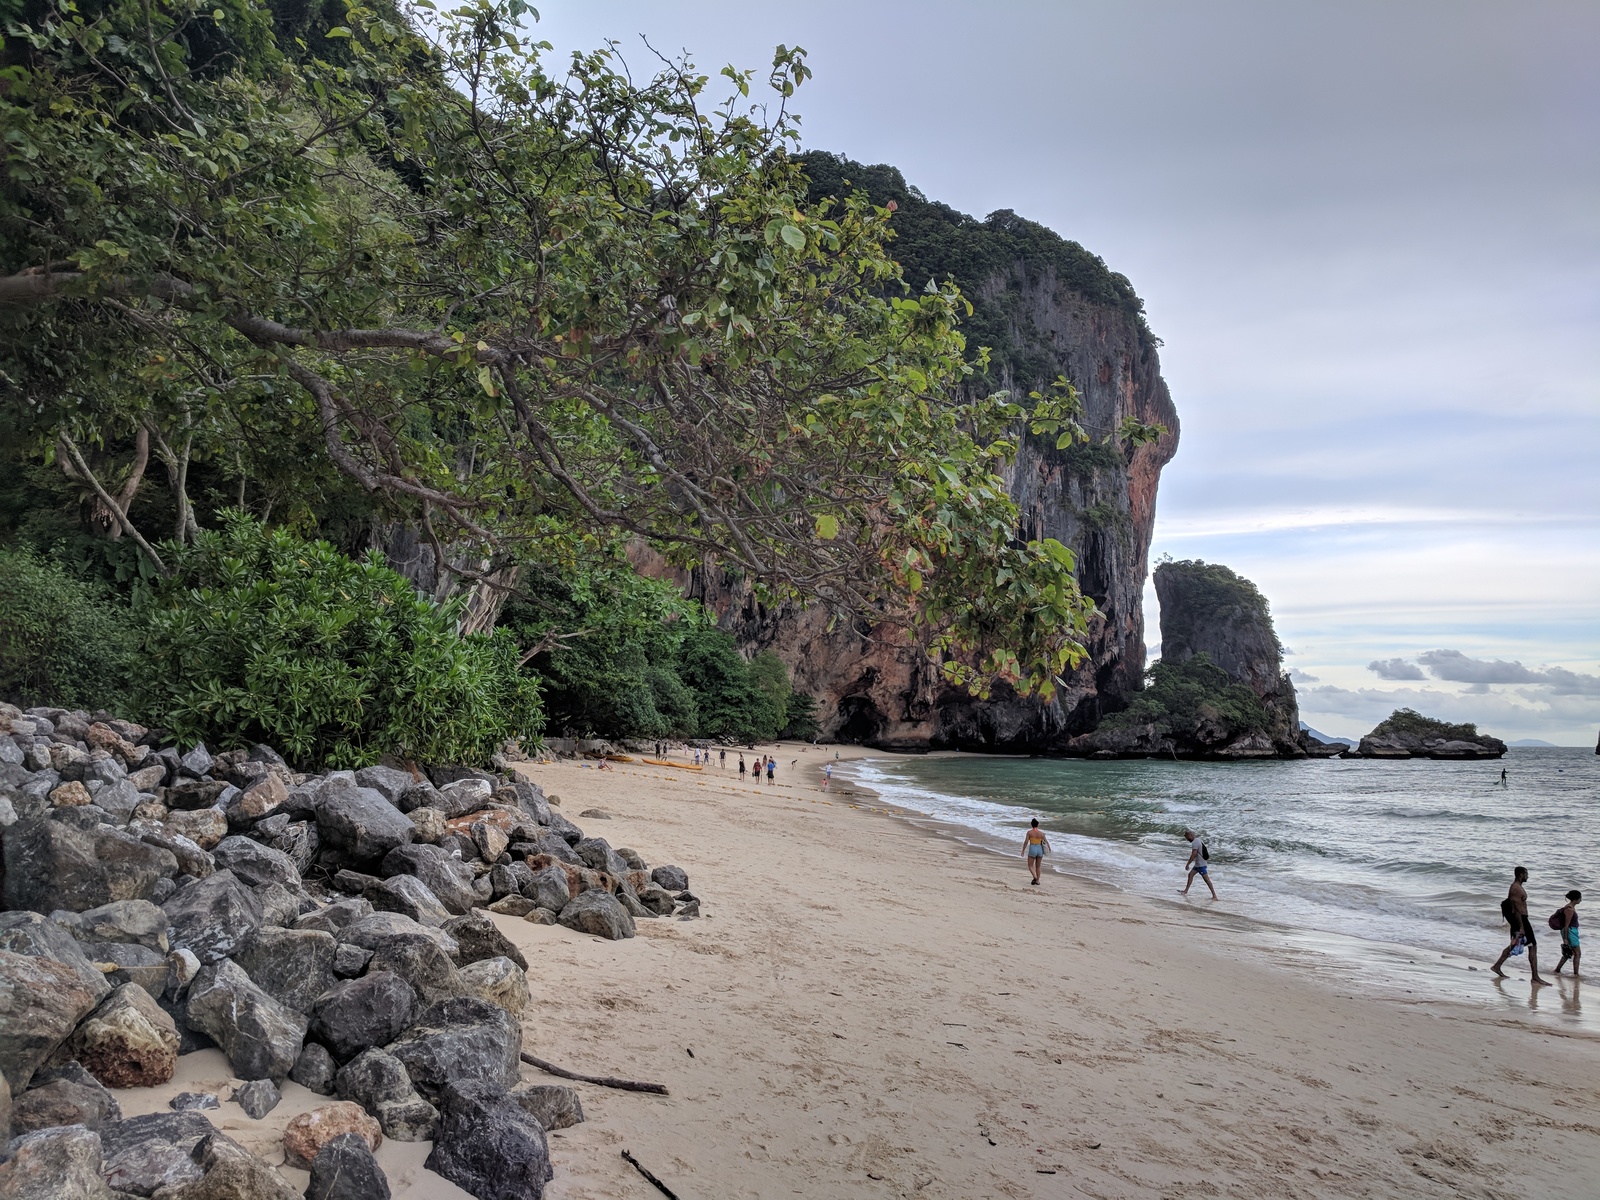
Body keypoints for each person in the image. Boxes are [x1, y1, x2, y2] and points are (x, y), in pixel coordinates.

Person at [1491, 866, 1549, 984]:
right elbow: (1516, 909)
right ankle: (1535, 977)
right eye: (1526, 874)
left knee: (1519, 945)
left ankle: (1497, 966)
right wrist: (1521, 927)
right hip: (1521, 921)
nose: (1528, 876)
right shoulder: (1516, 889)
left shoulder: (1518, 888)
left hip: (1522, 920)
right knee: (1531, 946)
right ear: (1521, 874)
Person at [1179, 829, 1217, 900]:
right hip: (1197, 864)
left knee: (1206, 880)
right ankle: (1185, 891)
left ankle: (1214, 896)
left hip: (1201, 865)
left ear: (1190, 835)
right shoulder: (1198, 840)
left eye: (1187, 838)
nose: (1187, 840)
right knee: (1190, 875)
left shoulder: (1195, 842)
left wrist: (1188, 864)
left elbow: (1194, 853)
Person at [1552, 889, 1582, 977]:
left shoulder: (1570, 908)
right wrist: (1565, 939)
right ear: (1576, 899)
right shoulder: (1569, 909)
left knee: (1568, 952)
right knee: (1577, 953)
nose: (1581, 900)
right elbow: (1566, 925)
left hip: (1571, 931)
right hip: (1570, 932)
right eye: (1580, 898)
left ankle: (1557, 970)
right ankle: (1576, 974)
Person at [1021, 819, 1051, 885]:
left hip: (1033, 848)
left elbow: (1026, 842)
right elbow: (1046, 842)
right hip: (1040, 849)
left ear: (1031, 825)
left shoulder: (1029, 832)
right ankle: (1037, 881)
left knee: (1030, 865)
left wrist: (1023, 850)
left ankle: (1035, 877)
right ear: (1038, 825)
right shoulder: (1042, 833)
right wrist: (1049, 849)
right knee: (1038, 866)